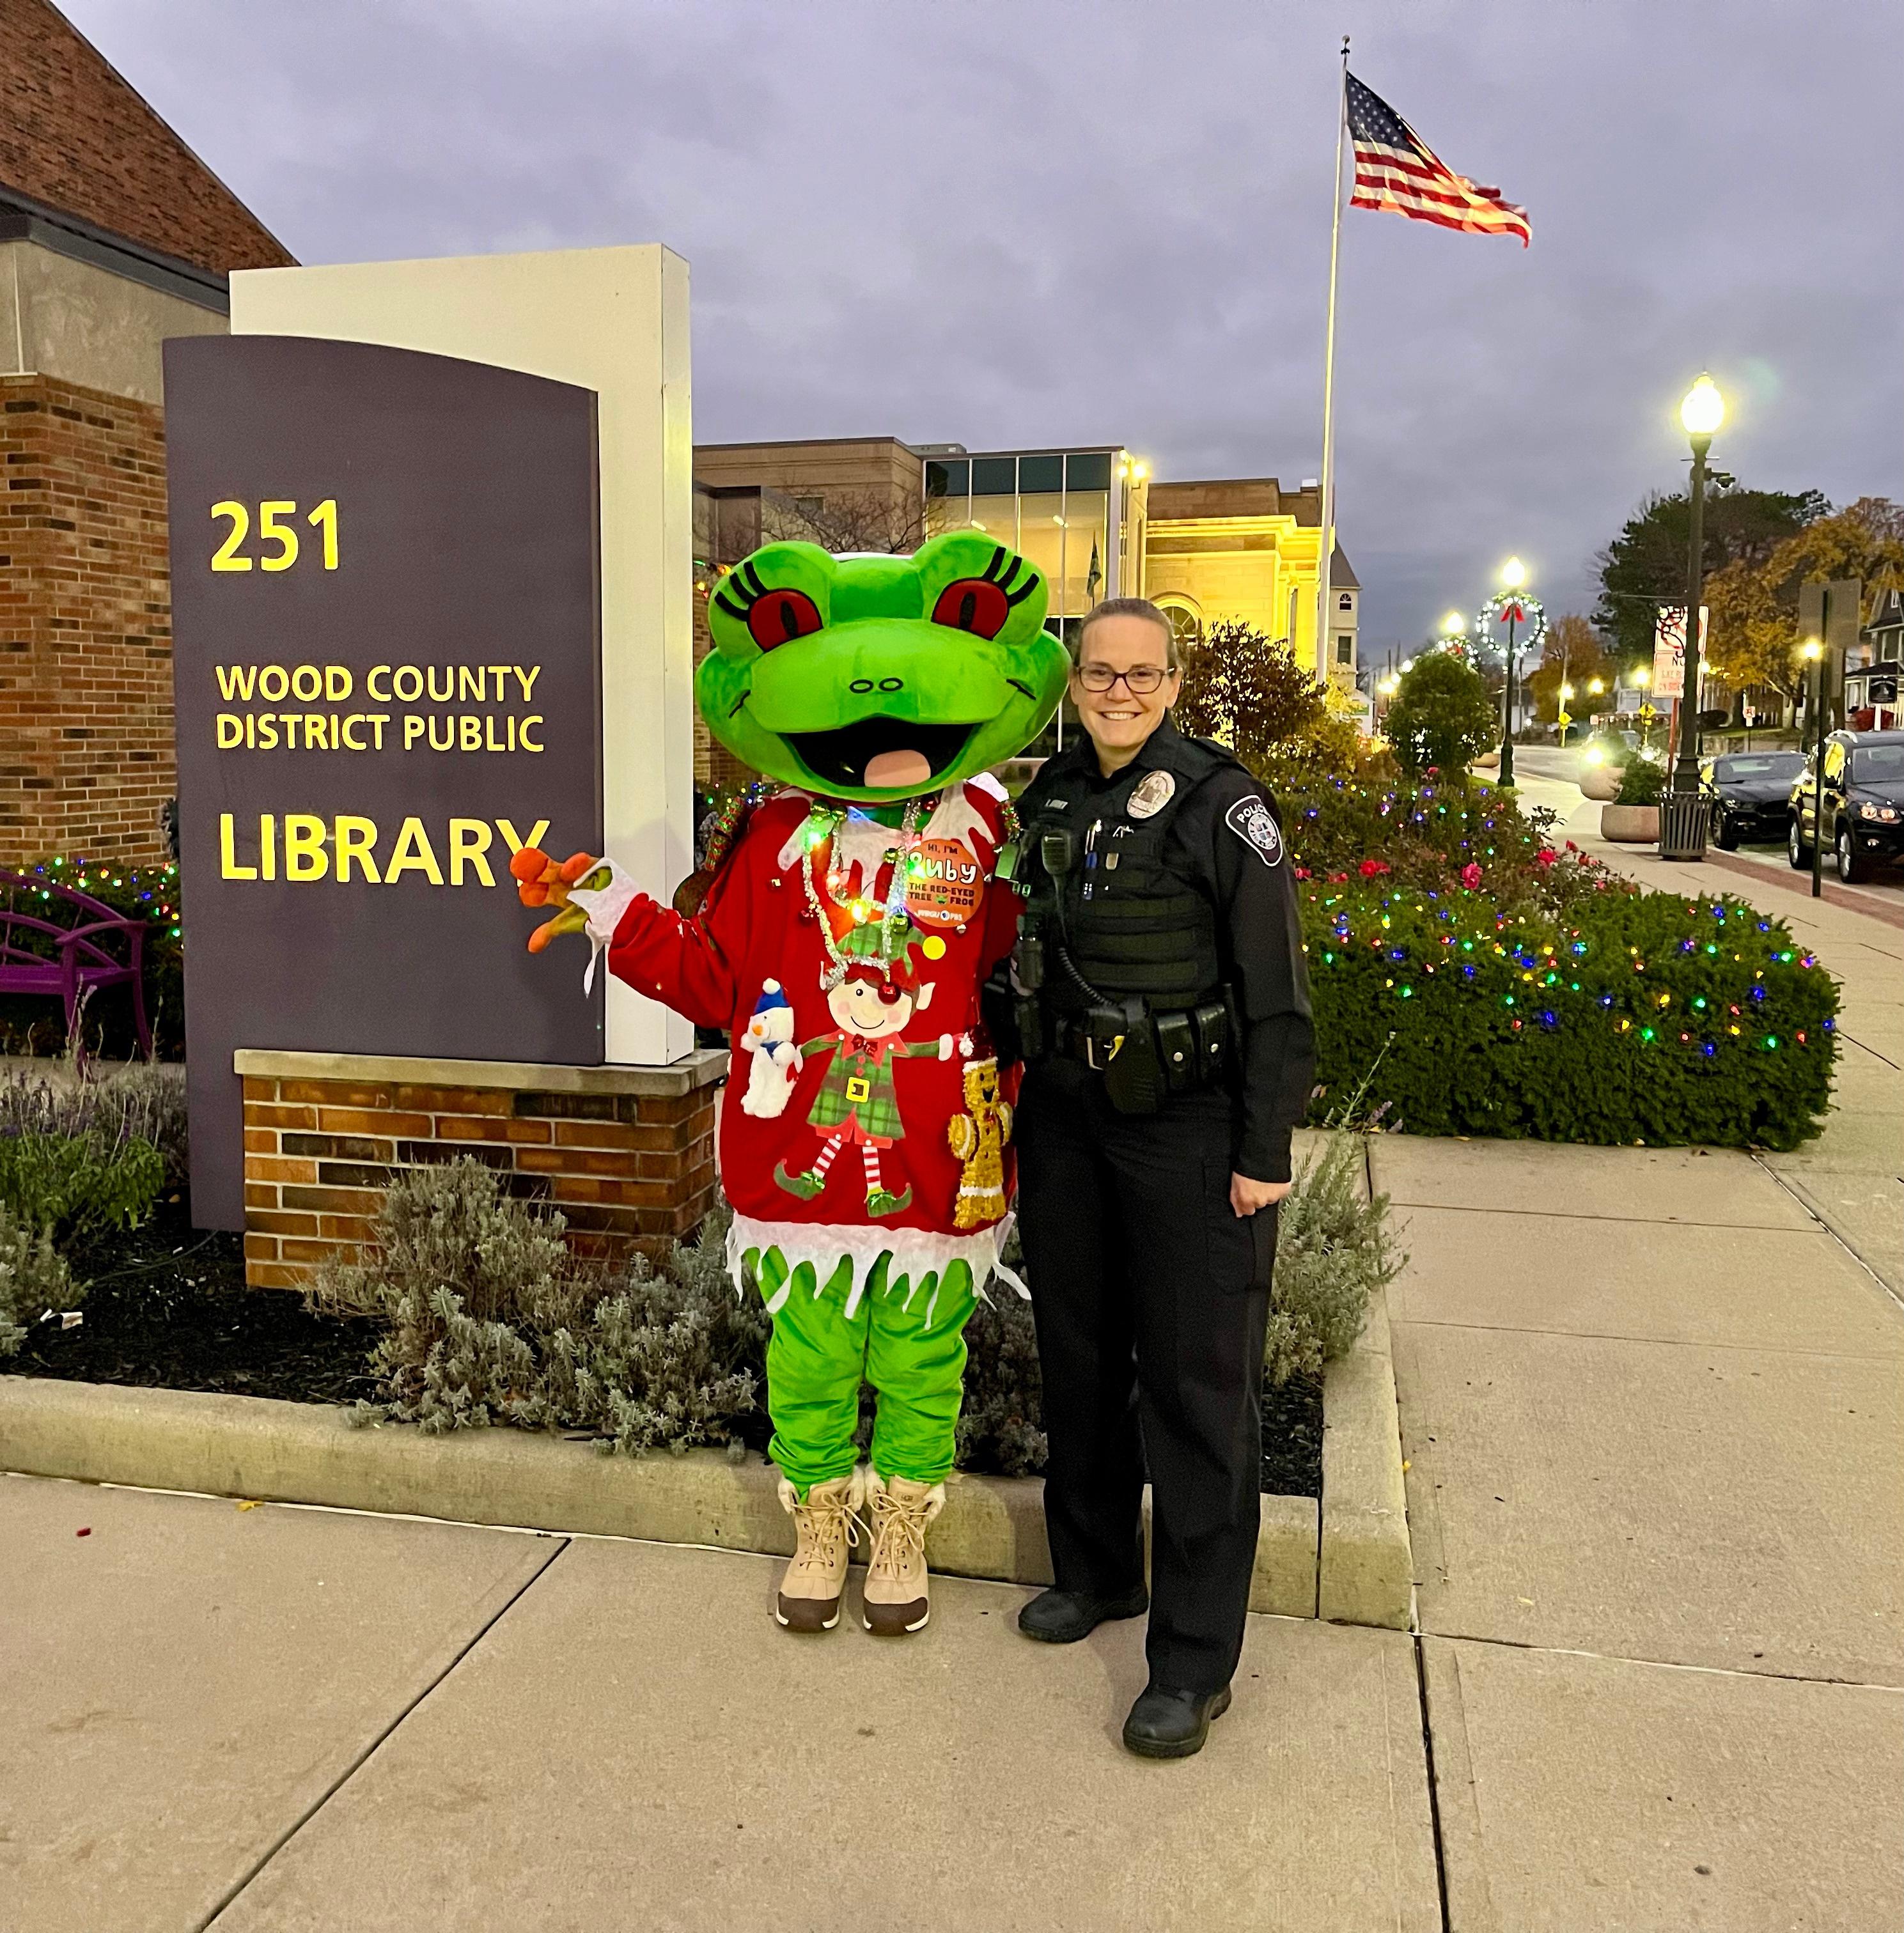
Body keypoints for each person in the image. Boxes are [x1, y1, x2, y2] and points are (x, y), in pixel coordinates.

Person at [1003, 596, 1315, 1758]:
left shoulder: (1221, 805)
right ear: (1072, 682)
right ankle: (1094, 1576)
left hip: (1188, 1130)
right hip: (1068, 1123)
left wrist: (1262, 1155)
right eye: (1099, 673)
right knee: (1079, 1358)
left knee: (1195, 1394)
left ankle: (1191, 1663)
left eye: (1141, 674)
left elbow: (1277, 993)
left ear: (1176, 684)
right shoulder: (1048, 797)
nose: (1119, 691)